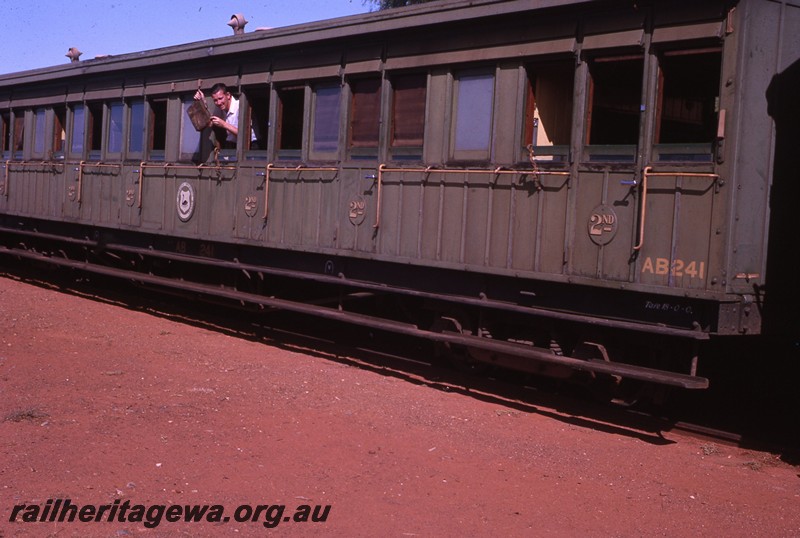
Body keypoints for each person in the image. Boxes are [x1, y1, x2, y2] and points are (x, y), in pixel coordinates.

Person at [194, 83, 242, 150]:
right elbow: (210, 122)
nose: (219, 103)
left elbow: (244, 135)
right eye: (215, 100)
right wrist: (202, 102)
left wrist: (224, 124)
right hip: (232, 144)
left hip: (250, 146)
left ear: (228, 95)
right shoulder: (220, 107)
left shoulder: (240, 106)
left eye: (220, 98)